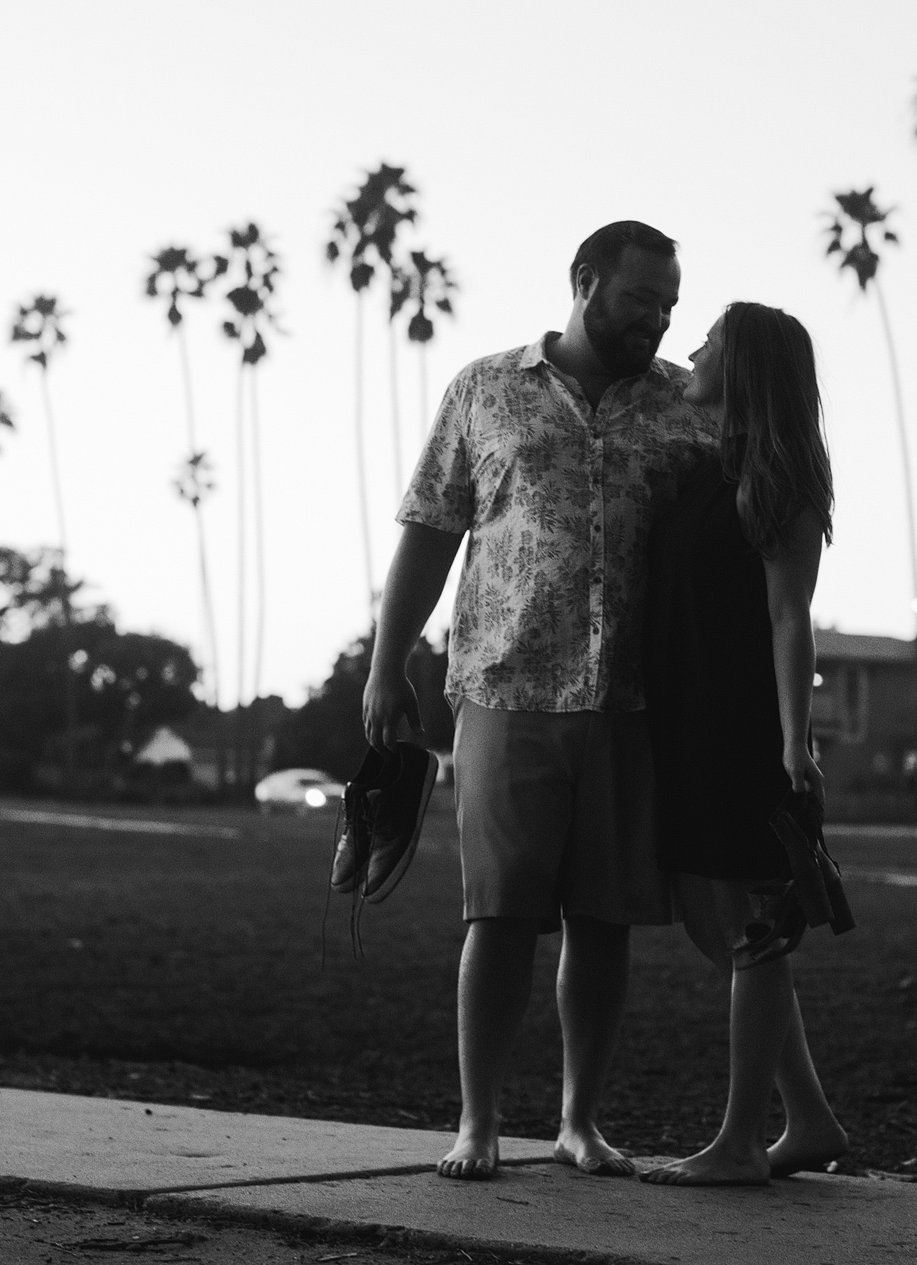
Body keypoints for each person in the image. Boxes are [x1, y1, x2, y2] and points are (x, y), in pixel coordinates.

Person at [362, 221, 715, 1180]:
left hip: (634, 702)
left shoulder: (688, 405)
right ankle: (478, 1122)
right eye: (643, 298)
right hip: (506, 687)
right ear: (585, 281)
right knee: (500, 915)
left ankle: (578, 1122)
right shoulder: (484, 390)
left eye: (671, 305)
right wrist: (387, 661)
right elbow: (430, 531)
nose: (658, 319)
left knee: (604, 921)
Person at [638, 302, 850, 1187]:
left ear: (748, 367)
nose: (691, 350)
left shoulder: (781, 480)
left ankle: (736, 1144)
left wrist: (795, 743)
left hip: (742, 731)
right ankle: (808, 1121)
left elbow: (787, 617)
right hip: (685, 721)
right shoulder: (700, 470)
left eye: (711, 343)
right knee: (725, 930)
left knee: (753, 932)